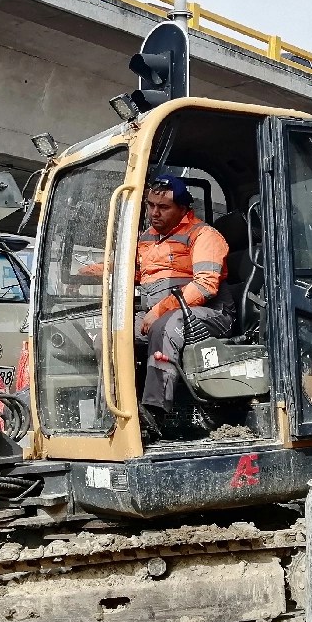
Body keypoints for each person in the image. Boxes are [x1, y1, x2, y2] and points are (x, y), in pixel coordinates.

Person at [133, 175, 234, 441]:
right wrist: (88, 272)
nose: (154, 212)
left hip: (210, 313)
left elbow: (205, 286)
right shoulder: (147, 238)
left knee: (166, 326)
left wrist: (160, 309)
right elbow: (133, 273)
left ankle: (155, 412)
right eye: (151, 205)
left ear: (183, 209)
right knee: (113, 335)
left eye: (163, 207)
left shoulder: (204, 235)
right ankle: (122, 407)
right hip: (158, 310)